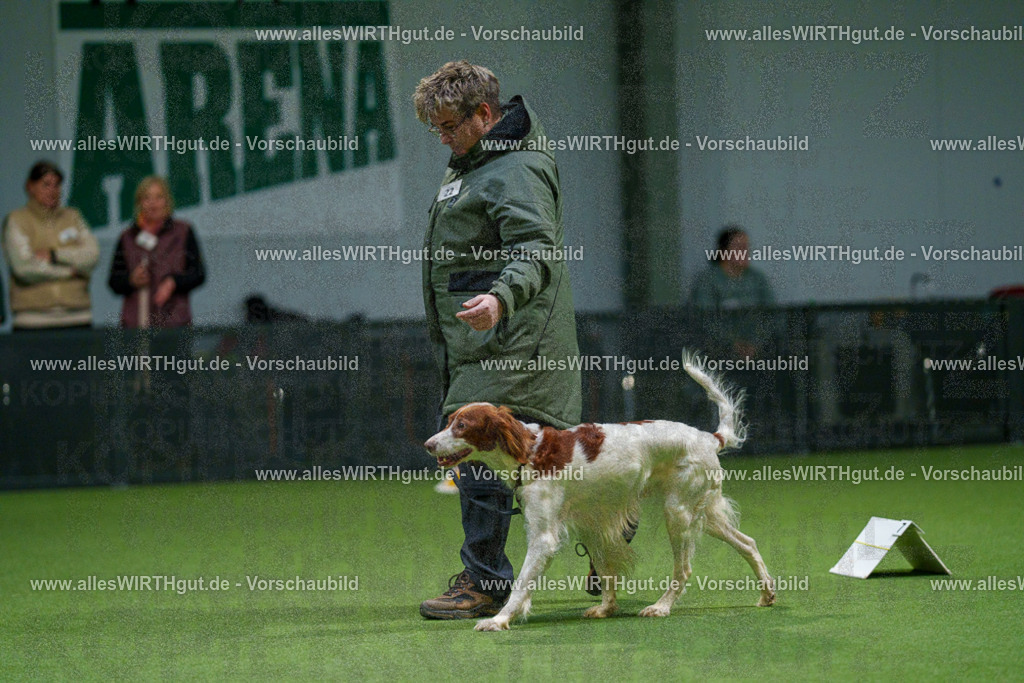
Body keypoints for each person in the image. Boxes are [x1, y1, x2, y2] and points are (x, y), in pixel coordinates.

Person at [414, 61, 582, 619]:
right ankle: (612, 528)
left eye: (446, 125)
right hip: (485, 337)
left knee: (479, 453)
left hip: (514, 337)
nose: (440, 137)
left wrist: (501, 299)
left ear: (484, 115)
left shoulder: (514, 170)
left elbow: (535, 249)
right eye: (433, 127)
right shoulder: (476, 161)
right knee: (538, 456)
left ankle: (485, 582)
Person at [2, 160, 99, 330]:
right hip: (33, 321)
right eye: (46, 184)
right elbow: (24, 268)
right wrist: (68, 272)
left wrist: (55, 255)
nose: (52, 191)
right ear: (30, 186)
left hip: (78, 317)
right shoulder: (17, 220)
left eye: (57, 185)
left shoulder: (73, 217)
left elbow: (92, 255)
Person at [108, 176, 205, 328]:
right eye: (147, 198)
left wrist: (174, 282)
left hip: (174, 324)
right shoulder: (127, 237)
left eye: (158, 197)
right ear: (139, 203)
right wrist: (131, 280)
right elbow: (114, 281)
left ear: (167, 201)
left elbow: (198, 273)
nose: (153, 203)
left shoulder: (183, 231)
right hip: (136, 324)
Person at [690, 226, 775, 358]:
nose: (745, 252)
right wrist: (733, 344)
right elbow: (704, 319)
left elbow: (771, 315)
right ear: (724, 251)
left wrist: (755, 344)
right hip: (716, 355)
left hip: (756, 354)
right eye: (740, 247)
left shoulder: (757, 279)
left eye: (747, 247)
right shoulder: (707, 281)